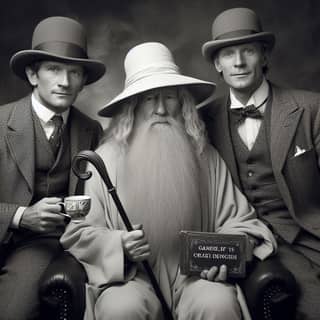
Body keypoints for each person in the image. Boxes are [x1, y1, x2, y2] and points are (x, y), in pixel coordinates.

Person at [61, 42, 276, 320]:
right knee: (119, 309)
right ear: (133, 107)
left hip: (196, 277)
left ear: (183, 103)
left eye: (169, 97)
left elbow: (240, 222)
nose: (160, 109)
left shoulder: (205, 157)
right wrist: (119, 246)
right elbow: (80, 233)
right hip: (131, 278)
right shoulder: (105, 162)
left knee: (217, 303)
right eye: (149, 99)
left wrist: (223, 256)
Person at [200, 7, 320, 320]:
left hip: (307, 237)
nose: (238, 62)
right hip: (239, 240)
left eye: (248, 51)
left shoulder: (311, 109)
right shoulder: (202, 120)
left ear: (264, 56)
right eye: (228, 54)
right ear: (217, 64)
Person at [0, 16, 106, 319]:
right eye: (54, 69)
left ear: (83, 81)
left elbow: (97, 201)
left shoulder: (91, 130)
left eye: (75, 72)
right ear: (33, 74)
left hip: (40, 246)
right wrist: (22, 216)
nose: (65, 81)